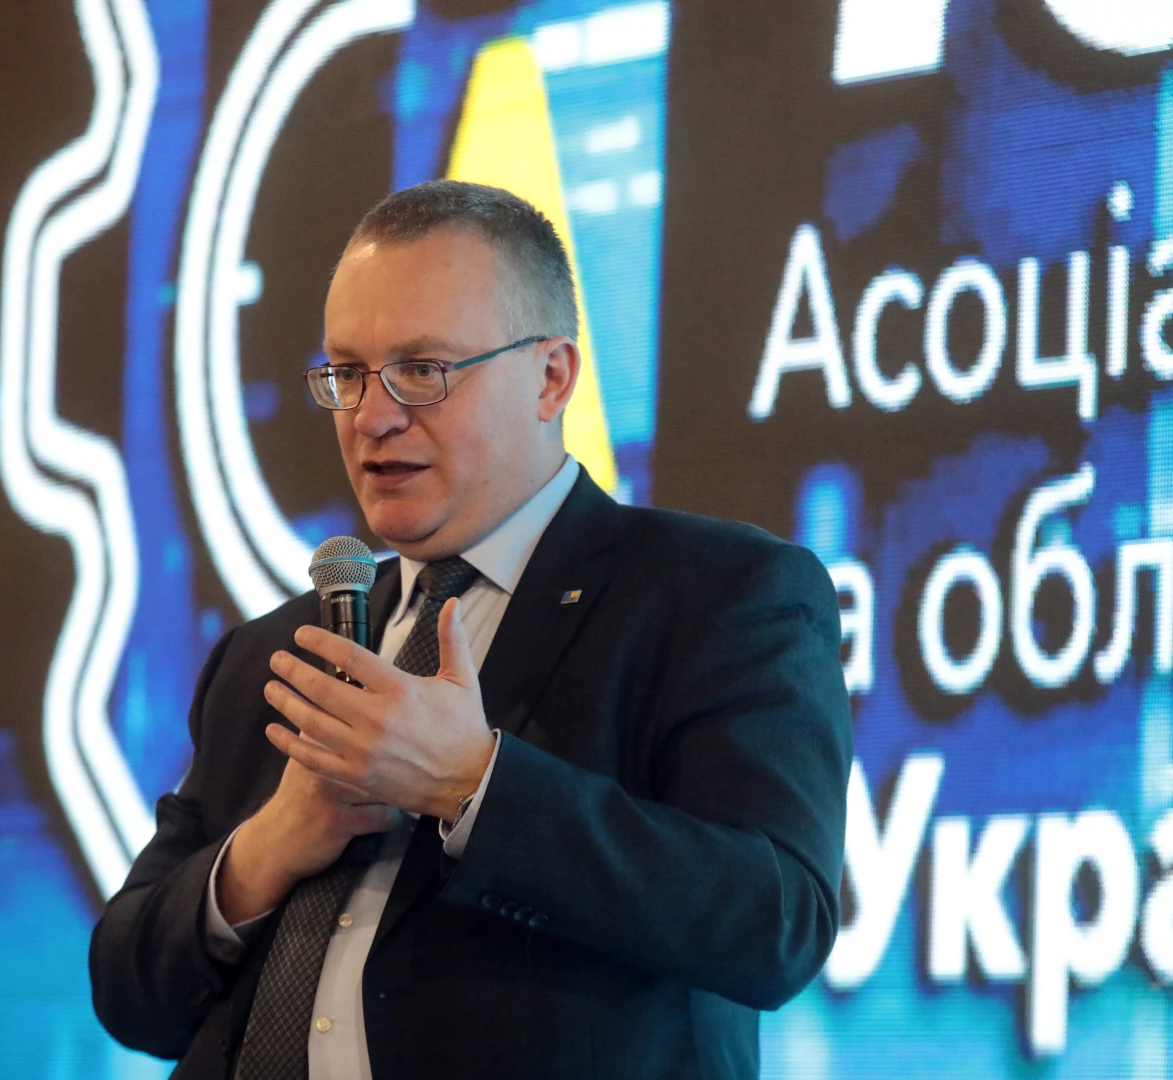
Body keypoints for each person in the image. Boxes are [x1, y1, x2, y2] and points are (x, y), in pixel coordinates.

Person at [89, 179, 851, 1079]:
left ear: (551, 378)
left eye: (424, 370)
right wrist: (265, 850)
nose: (372, 416)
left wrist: (472, 784)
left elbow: (775, 922)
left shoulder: (715, 596)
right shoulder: (275, 655)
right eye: (347, 373)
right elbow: (127, 993)